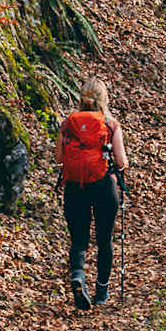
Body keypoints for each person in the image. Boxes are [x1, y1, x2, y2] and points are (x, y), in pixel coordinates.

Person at [55, 77, 128, 309]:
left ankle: (78, 275)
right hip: (103, 186)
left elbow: (58, 158)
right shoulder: (110, 125)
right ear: (104, 99)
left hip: (75, 187)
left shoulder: (68, 124)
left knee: (79, 239)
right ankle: (102, 293)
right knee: (104, 240)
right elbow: (121, 161)